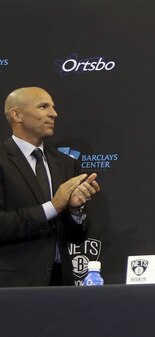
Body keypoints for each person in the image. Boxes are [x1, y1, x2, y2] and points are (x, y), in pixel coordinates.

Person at [0, 87, 100, 287]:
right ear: (17, 115)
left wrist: (74, 210)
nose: (54, 113)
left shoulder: (65, 163)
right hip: (13, 285)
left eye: (53, 107)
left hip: (61, 283)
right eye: (43, 106)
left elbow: (77, 237)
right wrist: (53, 207)